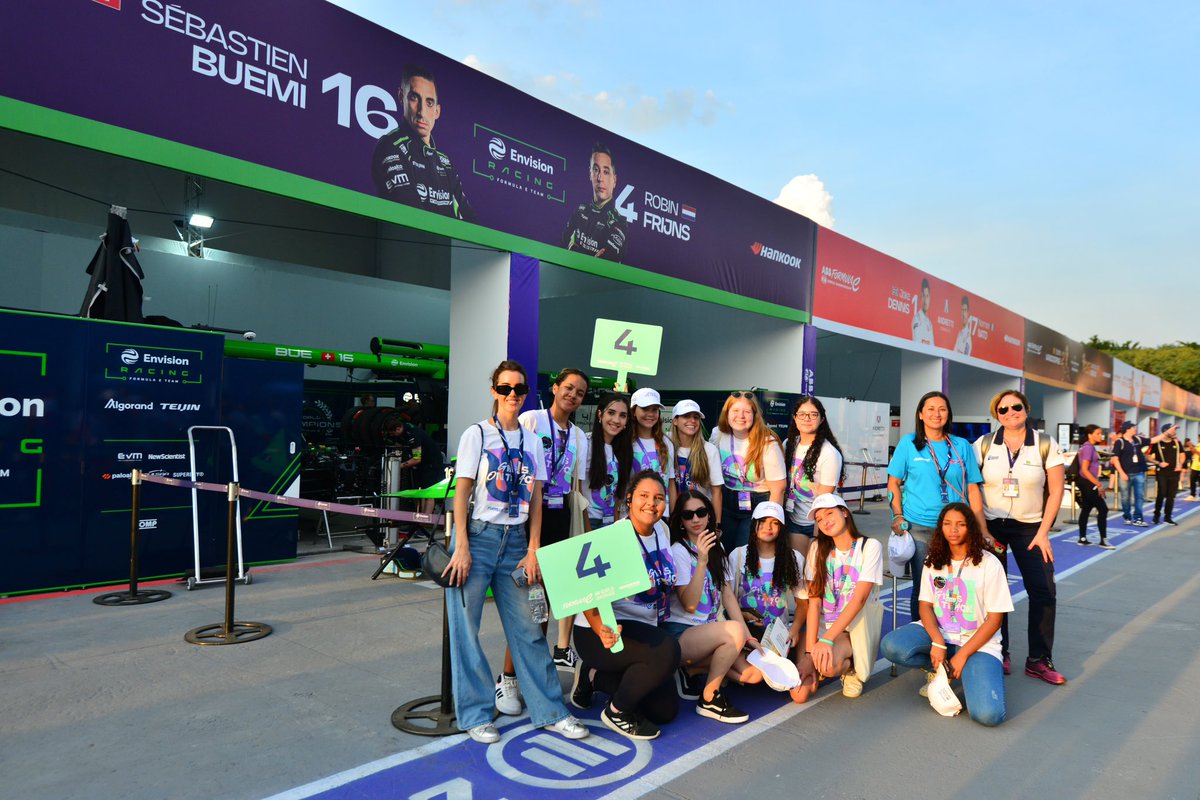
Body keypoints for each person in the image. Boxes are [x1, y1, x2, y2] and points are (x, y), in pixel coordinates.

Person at [442, 360, 588, 745]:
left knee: (529, 629)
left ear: (526, 393)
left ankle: (551, 711)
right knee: (466, 632)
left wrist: (534, 548)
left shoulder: (530, 438)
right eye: (505, 388)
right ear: (494, 391)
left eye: (519, 389)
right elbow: (462, 491)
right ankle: (474, 714)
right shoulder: (477, 434)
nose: (512, 396)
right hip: (478, 536)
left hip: (517, 543)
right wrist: (461, 546)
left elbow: (537, 496)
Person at [571, 470, 682, 740]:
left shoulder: (663, 531)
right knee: (668, 649)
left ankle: (592, 676)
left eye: (658, 498)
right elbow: (589, 594)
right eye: (644, 496)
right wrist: (602, 630)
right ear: (629, 499)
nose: (651, 504)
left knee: (664, 710)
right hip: (602, 630)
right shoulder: (614, 536)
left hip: (641, 629)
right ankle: (617, 712)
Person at [880, 503, 1012, 727]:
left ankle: (966, 667)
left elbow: (995, 620)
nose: (953, 530)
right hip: (942, 636)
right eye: (948, 524)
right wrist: (938, 641)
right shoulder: (934, 559)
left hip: (977, 643)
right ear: (940, 527)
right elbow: (925, 606)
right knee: (892, 646)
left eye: (960, 524)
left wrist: (962, 656)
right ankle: (941, 668)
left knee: (988, 716)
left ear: (970, 528)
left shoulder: (989, 564)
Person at [972, 389, 1065, 684]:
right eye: (1003, 409)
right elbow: (972, 487)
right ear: (995, 414)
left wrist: (1043, 533)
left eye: (1016, 407)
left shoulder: (1046, 443)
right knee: (992, 594)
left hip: (1031, 527)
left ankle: (1038, 659)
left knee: (1043, 590)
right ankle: (999, 652)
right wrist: (982, 530)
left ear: (1026, 409)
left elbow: (1057, 492)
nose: (1010, 412)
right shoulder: (984, 445)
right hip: (991, 525)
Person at [514, 368, 590, 675]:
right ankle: (517, 668)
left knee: (558, 590)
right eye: (569, 388)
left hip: (561, 516)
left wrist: (584, 531)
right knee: (530, 593)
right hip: (532, 514)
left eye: (580, 393)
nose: (573, 395)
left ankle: (557, 651)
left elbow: (579, 486)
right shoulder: (531, 419)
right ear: (555, 388)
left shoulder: (578, 436)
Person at [887, 391, 986, 621]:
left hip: (957, 528)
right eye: (930, 409)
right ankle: (921, 638)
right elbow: (893, 482)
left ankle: (954, 633)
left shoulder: (961, 445)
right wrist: (897, 515)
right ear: (920, 414)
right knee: (925, 588)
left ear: (948, 414)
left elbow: (973, 488)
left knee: (957, 584)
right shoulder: (909, 444)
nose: (936, 414)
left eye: (942, 408)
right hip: (919, 527)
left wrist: (981, 528)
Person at [665, 490, 756, 723]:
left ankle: (691, 670)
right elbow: (691, 604)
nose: (695, 519)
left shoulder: (718, 546)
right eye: (688, 515)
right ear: (681, 522)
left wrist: (747, 638)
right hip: (681, 634)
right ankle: (709, 698)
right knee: (732, 630)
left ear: (709, 515)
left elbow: (727, 595)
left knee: (753, 674)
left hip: (710, 632)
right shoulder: (679, 551)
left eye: (701, 512)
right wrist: (702, 560)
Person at [799, 494, 883, 700]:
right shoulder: (817, 548)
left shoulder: (869, 546)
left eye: (830, 513)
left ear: (845, 512)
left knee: (827, 667)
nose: (825, 521)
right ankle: (822, 661)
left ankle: (851, 667)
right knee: (799, 694)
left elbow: (859, 600)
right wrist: (810, 651)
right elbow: (815, 602)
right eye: (819, 519)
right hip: (823, 627)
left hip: (851, 629)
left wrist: (826, 641)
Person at [725, 501, 812, 703]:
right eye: (763, 521)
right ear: (753, 524)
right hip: (745, 632)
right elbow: (727, 602)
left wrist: (795, 629)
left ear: (782, 529)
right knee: (755, 676)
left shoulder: (793, 558)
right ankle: (723, 666)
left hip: (777, 636)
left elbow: (802, 603)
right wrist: (744, 615)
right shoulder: (737, 556)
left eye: (774, 523)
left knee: (793, 689)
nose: (768, 527)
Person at [371, 64, 476, 222]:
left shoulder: (445, 162)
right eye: (414, 98)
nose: (421, 112)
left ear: (437, 111)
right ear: (401, 96)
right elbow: (410, 213)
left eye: (429, 103)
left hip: (447, 246)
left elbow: (471, 222)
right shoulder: (390, 146)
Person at [711, 392, 786, 551]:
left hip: (758, 503)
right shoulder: (718, 434)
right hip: (727, 503)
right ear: (727, 413)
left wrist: (769, 520)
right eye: (735, 411)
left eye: (747, 412)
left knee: (744, 552)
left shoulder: (767, 442)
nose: (741, 416)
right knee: (725, 551)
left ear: (755, 415)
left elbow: (778, 489)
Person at [783, 395, 844, 556]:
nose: (807, 418)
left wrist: (819, 534)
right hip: (793, 520)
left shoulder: (829, 453)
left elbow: (824, 500)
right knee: (797, 571)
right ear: (795, 418)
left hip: (818, 522)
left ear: (822, 419)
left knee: (814, 572)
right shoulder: (788, 444)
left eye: (813, 414)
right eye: (802, 414)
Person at [561, 142, 627, 262]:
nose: (600, 178)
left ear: (615, 180)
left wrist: (574, 249)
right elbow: (561, 249)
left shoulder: (619, 223)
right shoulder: (579, 211)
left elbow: (604, 264)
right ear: (590, 174)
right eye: (596, 170)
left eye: (606, 172)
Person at [582, 392, 634, 528]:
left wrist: (616, 523)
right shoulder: (586, 443)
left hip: (612, 522)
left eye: (622, 415)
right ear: (600, 415)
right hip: (589, 522)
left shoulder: (625, 450)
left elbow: (619, 493)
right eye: (611, 413)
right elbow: (577, 490)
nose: (616, 420)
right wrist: (587, 529)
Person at [670, 399, 724, 522]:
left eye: (696, 417)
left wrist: (716, 525)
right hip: (673, 515)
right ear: (675, 421)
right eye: (686, 416)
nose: (692, 421)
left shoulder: (709, 450)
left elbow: (717, 493)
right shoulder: (666, 445)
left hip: (699, 516)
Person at [1111, 421, 1169, 526]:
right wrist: (1121, 473)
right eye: (1133, 427)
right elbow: (1115, 459)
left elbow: (1153, 440)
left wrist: (1166, 433)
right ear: (1128, 429)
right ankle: (1127, 516)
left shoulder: (1138, 439)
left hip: (1139, 472)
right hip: (1125, 473)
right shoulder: (1120, 442)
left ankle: (1138, 518)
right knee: (1125, 497)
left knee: (1139, 496)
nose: (1135, 429)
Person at [630, 388, 677, 512]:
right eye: (645, 409)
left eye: (654, 410)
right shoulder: (627, 442)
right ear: (634, 411)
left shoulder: (666, 443)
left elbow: (671, 482)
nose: (650, 414)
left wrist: (673, 514)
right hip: (636, 512)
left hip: (662, 512)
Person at [1075, 424, 1115, 549]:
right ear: (1090, 435)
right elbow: (1085, 470)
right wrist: (1099, 485)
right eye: (1098, 433)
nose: (1101, 435)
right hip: (1087, 482)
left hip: (1087, 482)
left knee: (1086, 508)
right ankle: (1103, 540)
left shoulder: (1089, 447)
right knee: (1103, 509)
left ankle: (1082, 538)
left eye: (1101, 433)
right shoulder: (1088, 448)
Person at [1151, 422, 1184, 525]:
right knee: (1161, 493)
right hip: (1162, 473)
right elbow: (1147, 456)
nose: (1175, 432)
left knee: (1171, 496)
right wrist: (1159, 463)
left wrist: (1180, 464)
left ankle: (1167, 517)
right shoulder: (1157, 443)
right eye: (1173, 429)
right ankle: (1156, 515)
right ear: (1166, 431)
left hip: (1174, 473)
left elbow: (1182, 455)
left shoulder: (1177, 443)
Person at [912, 278, 934, 346]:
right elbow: (917, 342)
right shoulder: (917, 318)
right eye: (923, 296)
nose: (925, 300)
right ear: (921, 297)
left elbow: (932, 345)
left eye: (927, 296)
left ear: (929, 298)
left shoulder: (929, 323)